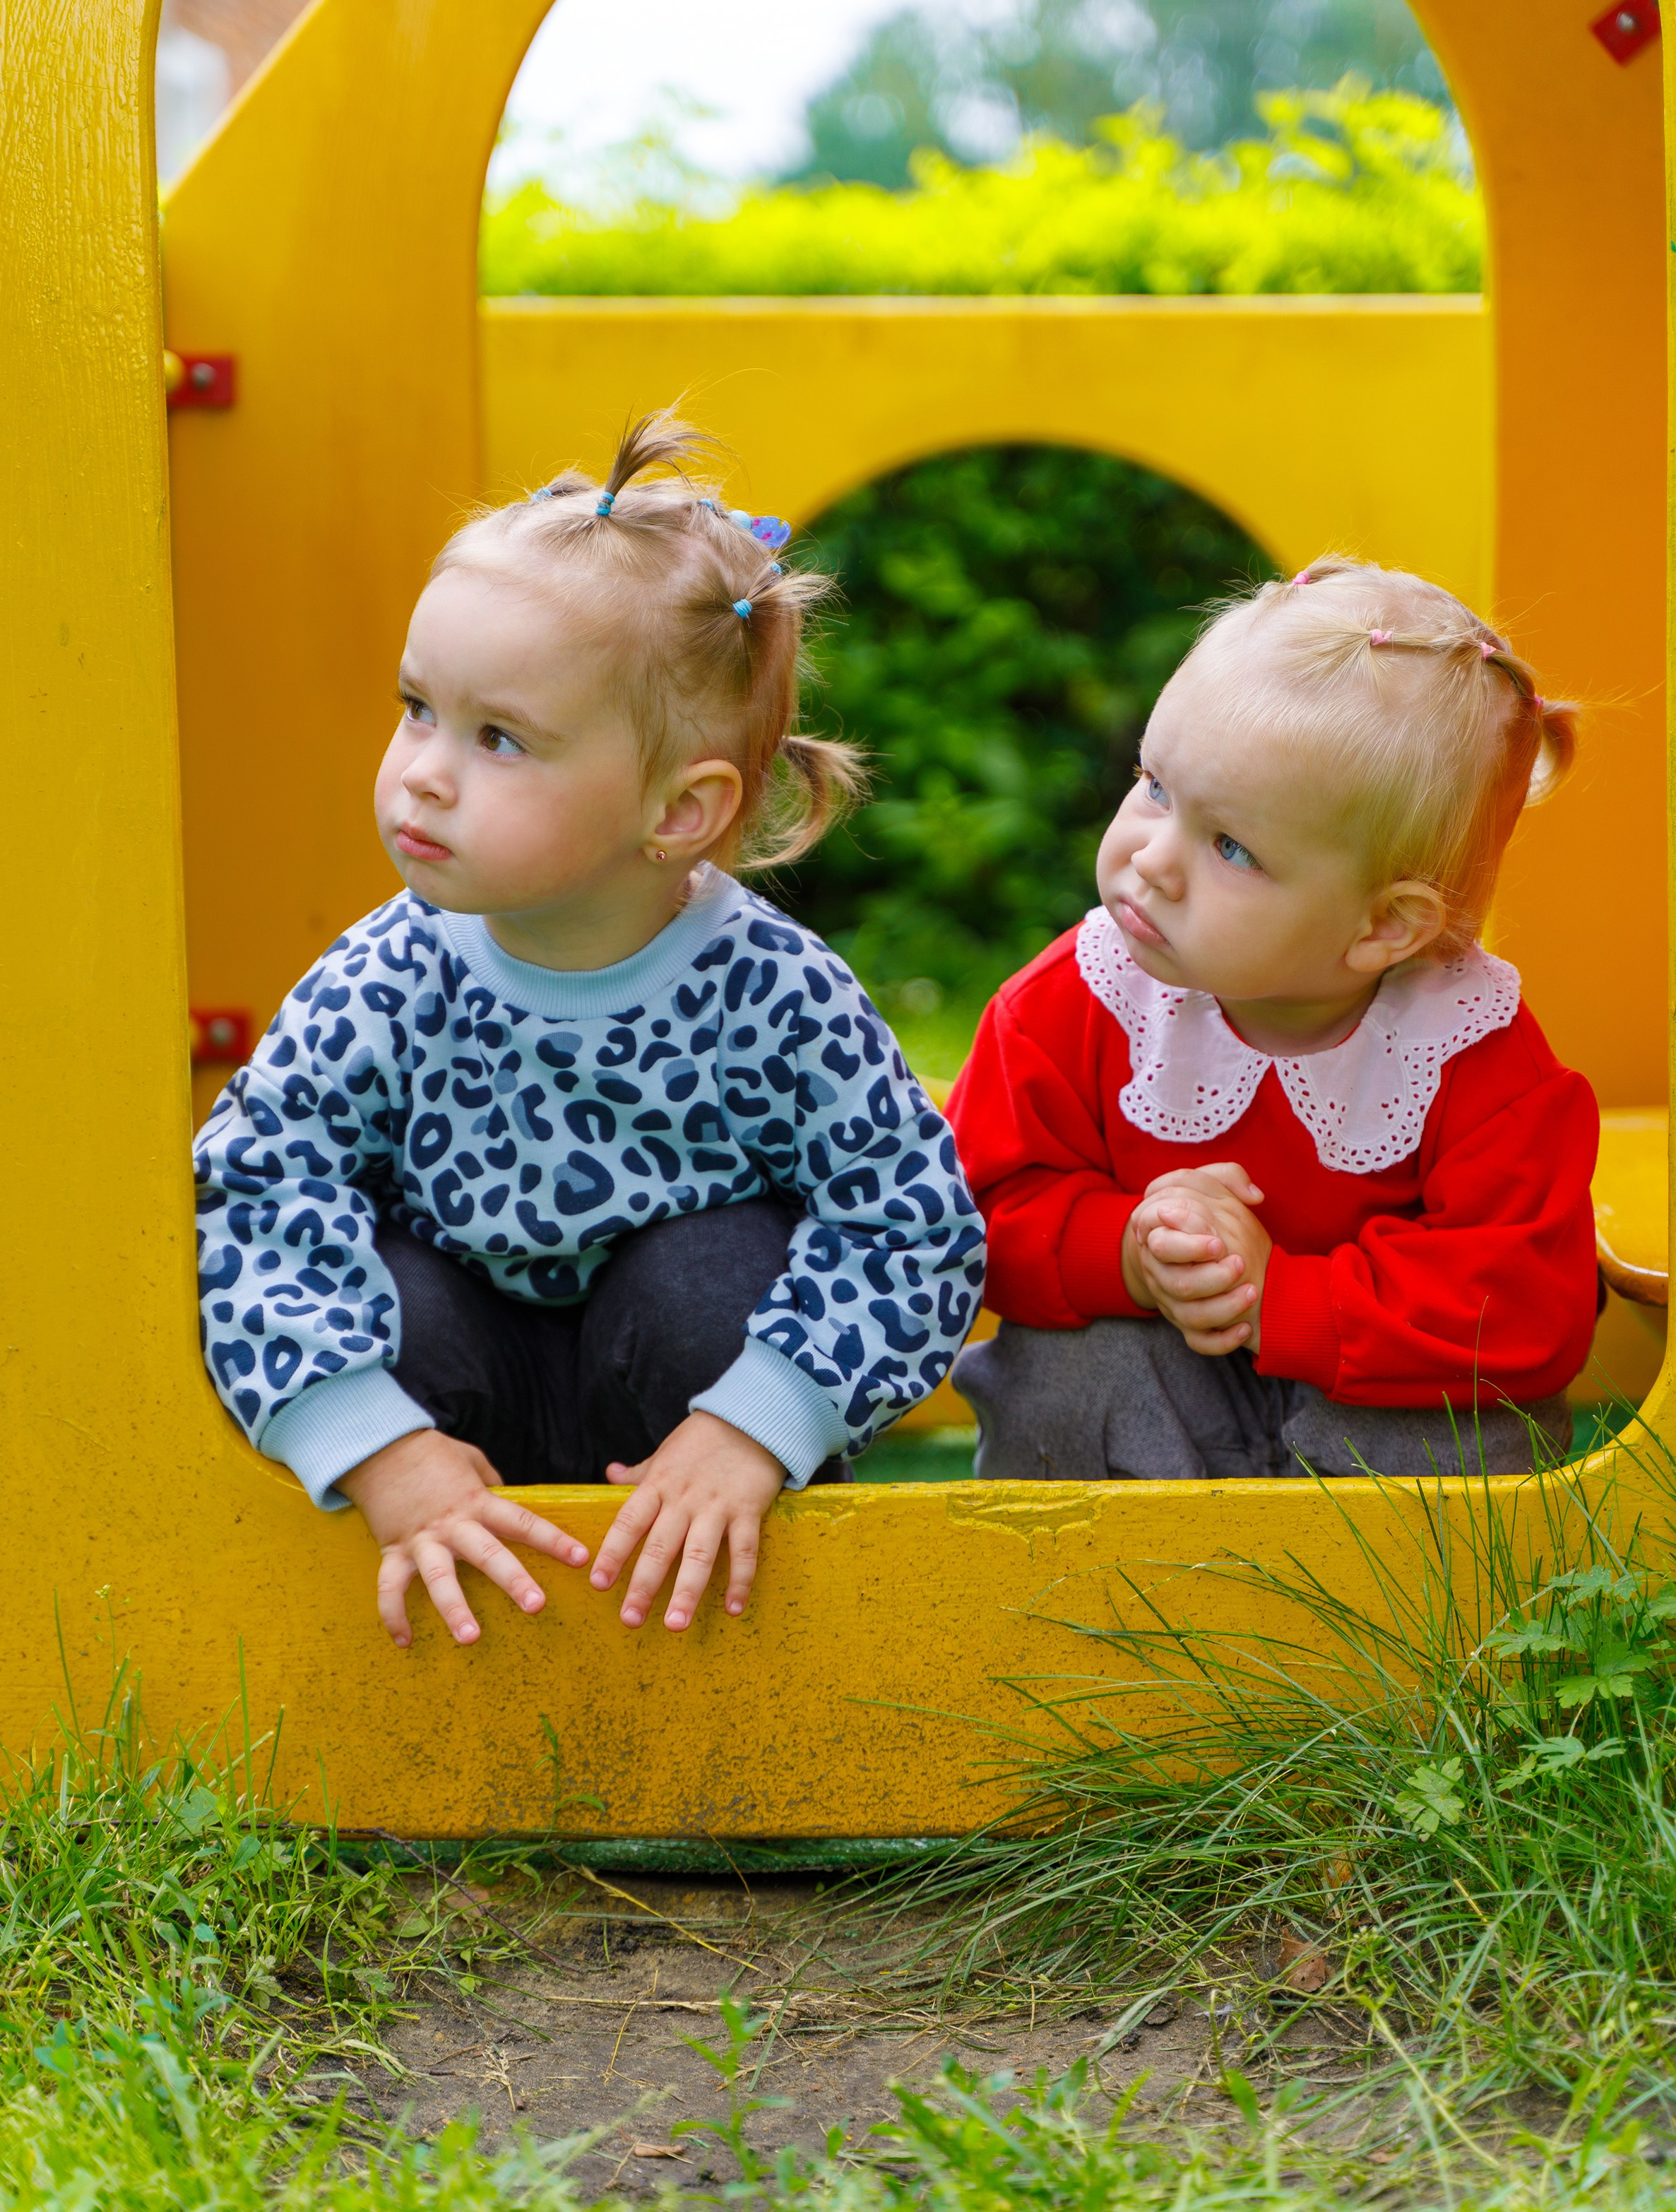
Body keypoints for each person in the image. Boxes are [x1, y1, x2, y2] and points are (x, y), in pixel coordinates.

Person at [196, 413, 984, 1645]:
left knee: (709, 1275)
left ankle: (747, 1648)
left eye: (498, 738)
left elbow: (909, 1223)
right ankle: (415, 1658)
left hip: (683, 1431)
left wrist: (755, 1420)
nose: (423, 773)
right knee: (395, 1290)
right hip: (458, 1427)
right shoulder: (391, 972)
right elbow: (256, 1184)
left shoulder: (772, 993)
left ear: (678, 808)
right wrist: (375, 1443)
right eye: (417, 709)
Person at [947, 555, 1598, 1482]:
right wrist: (1126, 1249)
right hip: (1159, 1387)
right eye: (1155, 787)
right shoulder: (1076, 1000)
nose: (1152, 859)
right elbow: (968, 1214)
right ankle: (1086, 1596)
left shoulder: (1468, 1053)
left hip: (1361, 1398)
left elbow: (1521, 1301)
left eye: (1230, 846)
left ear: (1382, 926)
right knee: (1061, 1372)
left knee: (1472, 1432)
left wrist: (1279, 1296)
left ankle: (1376, 1613)